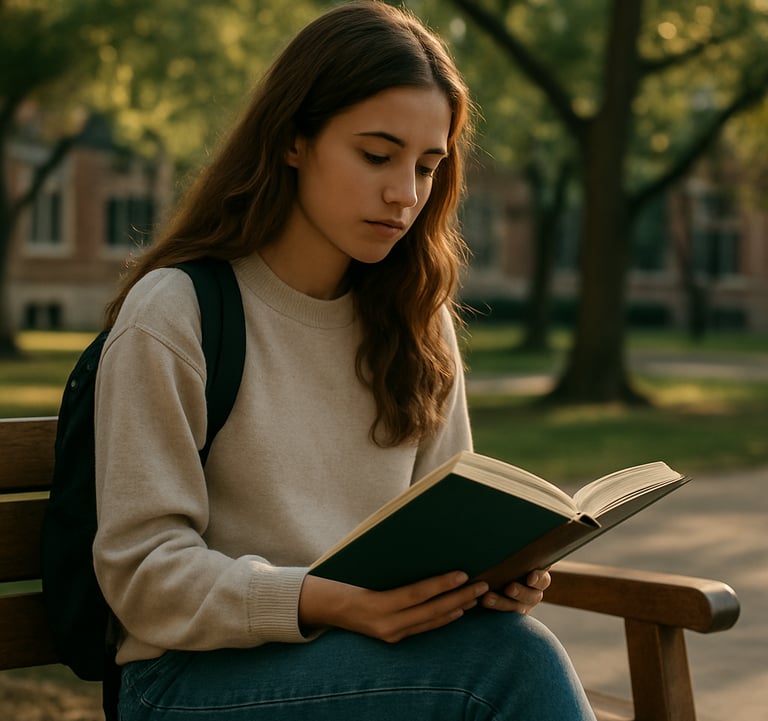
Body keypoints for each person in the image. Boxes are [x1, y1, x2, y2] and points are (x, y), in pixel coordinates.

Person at [93, 2, 596, 719]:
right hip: (191, 680)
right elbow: (141, 573)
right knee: (508, 667)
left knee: (507, 640)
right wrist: (323, 600)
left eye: (428, 166)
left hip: (375, 666)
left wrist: (489, 578)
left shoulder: (415, 320)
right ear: (295, 140)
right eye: (376, 154)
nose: (405, 194)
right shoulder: (179, 311)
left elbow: (443, 522)